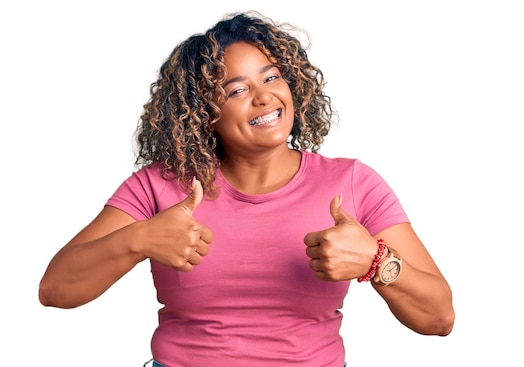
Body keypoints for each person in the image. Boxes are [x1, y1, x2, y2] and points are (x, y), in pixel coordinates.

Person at [38, 10, 455, 367]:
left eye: (272, 77)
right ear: (204, 114)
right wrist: (137, 239)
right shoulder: (159, 185)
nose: (264, 96)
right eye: (237, 89)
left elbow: (440, 318)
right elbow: (55, 290)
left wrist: (375, 260)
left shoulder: (352, 183)